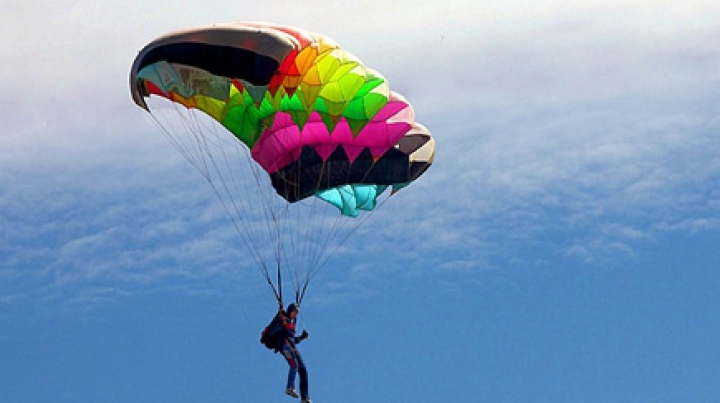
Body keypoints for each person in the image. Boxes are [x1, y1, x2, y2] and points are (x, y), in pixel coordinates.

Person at [278, 303, 311, 403]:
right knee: (294, 365)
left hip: (292, 348)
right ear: (290, 311)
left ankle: (305, 397)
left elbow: (292, 339)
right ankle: (290, 387)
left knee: (303, 370)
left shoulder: (291, 324)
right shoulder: (283, 321)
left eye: (296, 313)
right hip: (286, 348)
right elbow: (284, 337)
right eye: (294, 312)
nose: (295, 315)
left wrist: (301, 337)